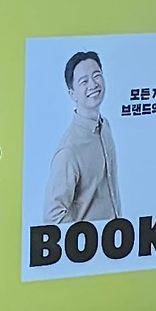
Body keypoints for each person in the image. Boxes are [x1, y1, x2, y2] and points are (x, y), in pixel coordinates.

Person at [42, 50, 121, 224]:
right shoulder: (69, 150)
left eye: (97, 76)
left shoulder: (105, 127)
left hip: (116, 237)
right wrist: (82, 236)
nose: (93, 84)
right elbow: (52, 214)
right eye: (84, 81)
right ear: (72, 94)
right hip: (92, 240)